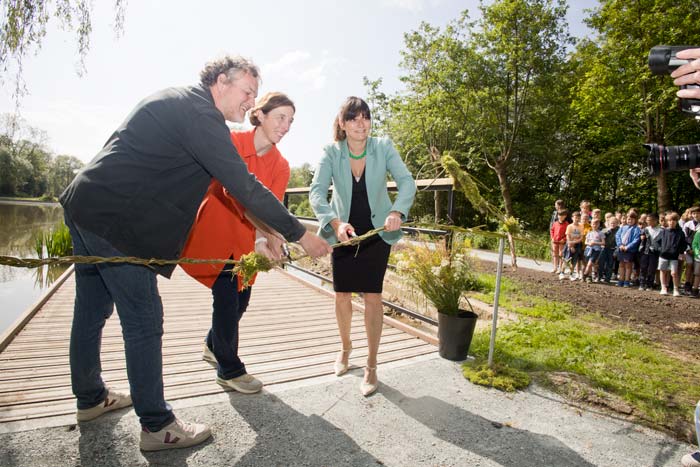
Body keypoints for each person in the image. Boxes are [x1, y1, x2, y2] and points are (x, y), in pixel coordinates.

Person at [59, 56, 331, 452]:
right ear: (221, 81)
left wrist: (267, 233)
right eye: (247, 92)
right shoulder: (202, 116)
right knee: (144, 320)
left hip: (86, 203)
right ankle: (158, 426)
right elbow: (245, 186)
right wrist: (299, 234)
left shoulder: (178, 100)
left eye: (255, 94)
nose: (249, 103)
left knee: (92, 309)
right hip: (116, 222)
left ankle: (90, 397)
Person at [180, 92, 297, 395]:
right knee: (227, 298)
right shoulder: (231, 142)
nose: (286, 126)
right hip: (217, 230)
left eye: (290, 121)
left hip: (247, 241)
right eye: (280, 117)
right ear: (260, 115)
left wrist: (269, 238)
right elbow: (228, 189)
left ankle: (211, 344)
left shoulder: (281, 166)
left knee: (240, 302)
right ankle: (229, 369)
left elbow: (270, 210)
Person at [309, 96, 416, 397]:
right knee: (342, 294)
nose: (361, 123)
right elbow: (317, 194)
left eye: (365, 117)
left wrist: (397, 211)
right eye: (353, 118)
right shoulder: (331, 152)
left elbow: (407, 183)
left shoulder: (383, 147)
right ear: (342, 124)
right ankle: (345, 349)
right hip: (343, 232)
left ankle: (371, 365)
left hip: (376, 233)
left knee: (373, 296)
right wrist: (334, 223)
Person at [658, 212, 687, 297]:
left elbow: (683, 244)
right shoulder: (663, 232)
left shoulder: (680, 233)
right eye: (669, 220)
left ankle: (676, 289)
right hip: (663, 255)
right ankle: (663, 288)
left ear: (677, 221)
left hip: (674, 256)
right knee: (662, 271)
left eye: (674, 220)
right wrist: (661, 250)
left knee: (674, 273)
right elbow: (657, 242)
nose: (671, 222)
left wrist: (681, 253)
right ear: (667, 221)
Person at [615, 210, 641, 288]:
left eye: (632, 219)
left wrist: (627, 247)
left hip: (629, 250)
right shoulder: (623, 227)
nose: (630, 220)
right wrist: (620, 245)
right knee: (621, 265)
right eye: (629, 219)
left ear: (635, 220)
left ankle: (627, 280)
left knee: (628, 266)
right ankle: (621, 280)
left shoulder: (637, 229)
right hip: (621, 249)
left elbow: (636, 240)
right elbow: (617, 236)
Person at [639, 213, 662, 291]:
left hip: (655, 253)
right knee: (643, 268)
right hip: (645, 251)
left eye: (649, 220)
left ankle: (650, 284)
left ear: (655, 220)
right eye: (647, 220)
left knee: (652, 269)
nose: (647, 222)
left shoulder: (661, 231)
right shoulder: (645, 229)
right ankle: (642, 284)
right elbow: (642, 240)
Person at [598, 217, 620, 283]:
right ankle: (599, 277)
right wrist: (607, 231)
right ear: (608, 223)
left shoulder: (619, 230)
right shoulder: (605, 230)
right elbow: (600, 237)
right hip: (604, 248)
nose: (613, 224)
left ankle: (607, 278)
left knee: (610, 264)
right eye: (611, 223)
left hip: (613, 249)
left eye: (614, 223)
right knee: (601, 263)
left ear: (617, 223)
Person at [582, 218, 604, 283]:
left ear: (599, 224)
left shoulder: (600, 233)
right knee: (590, 264)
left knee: (590, 264)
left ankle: (584, 276)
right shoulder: (589, 233)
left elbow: (603, 243)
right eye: (593, 224)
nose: (595, 225)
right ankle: (590, 276)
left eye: (596, 224)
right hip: (589, 250)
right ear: (591, 224)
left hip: (596, 250)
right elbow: (586, 242)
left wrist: (595, 243)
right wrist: (589, 243)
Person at [564, 211, 584, 281]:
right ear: (572, 218)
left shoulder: (581, 226)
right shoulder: (569, 226)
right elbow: (567, 236)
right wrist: (571, 245)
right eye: (575, 218)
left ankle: (571, 274)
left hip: (577, 245)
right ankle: (562, 273)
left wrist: (574, 242)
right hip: (569, 244)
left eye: (578, 218)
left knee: (574, 261)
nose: (577, 219)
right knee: (566, 259)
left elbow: (581, 238)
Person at [550, 209, 569, 278]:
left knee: (561, 255)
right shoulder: (555, 223)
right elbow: (552, 230)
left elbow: (568, 234)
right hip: (555, 242)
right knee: (555, 254)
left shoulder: (567, 224)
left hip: (562, 242)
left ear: (565, 216)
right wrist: (552, 238)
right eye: (559, 215)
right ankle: (555, 267)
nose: (560, 217)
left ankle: (560, 268)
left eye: (562, 215)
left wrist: (564, 239)